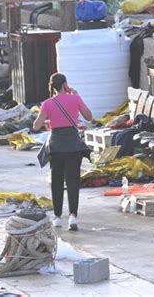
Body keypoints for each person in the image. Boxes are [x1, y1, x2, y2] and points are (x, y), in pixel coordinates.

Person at [33, 73, 93, 231]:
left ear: (51, 86)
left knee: (57, 180)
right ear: (65, 84)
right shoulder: (75, 99)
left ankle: (58, 217)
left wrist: (47, 119)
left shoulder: (47, 103)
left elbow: (35, 126)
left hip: (56, 145)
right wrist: (76, 96)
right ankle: (73, 216)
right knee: (73, 181)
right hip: (73, 144)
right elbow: (89, 117)